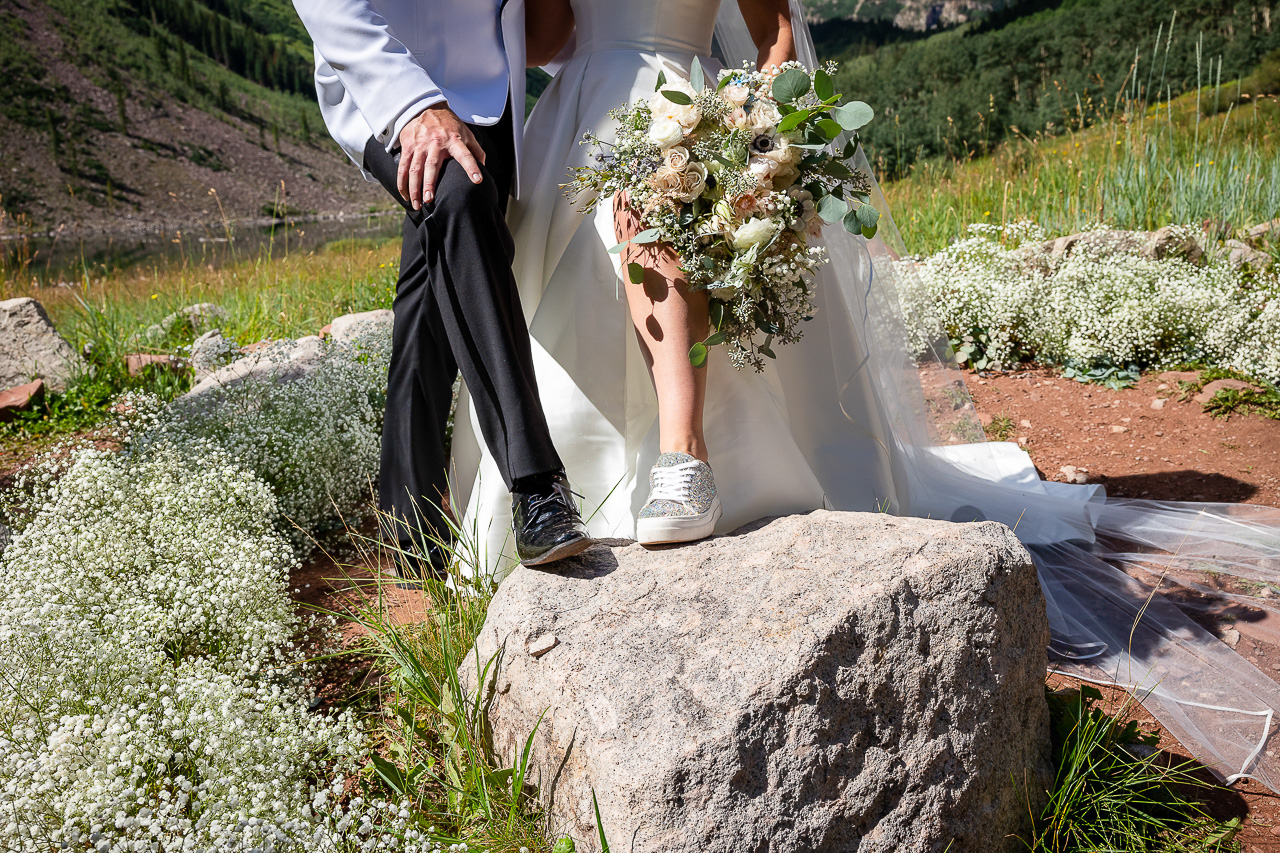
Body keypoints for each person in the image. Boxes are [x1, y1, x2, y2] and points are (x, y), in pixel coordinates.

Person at [450, 0, 1280, 794]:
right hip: (589, 123)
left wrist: (750, 128)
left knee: (670, 224)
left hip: (674, 106)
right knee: (595, 253)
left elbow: (764, 33)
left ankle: (684, 459)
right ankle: (627, 473)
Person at [291, 0, 596, 578]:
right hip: (389, 78)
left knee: (431, 294)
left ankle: (409, 526)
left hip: (494, 90)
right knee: (456, 195)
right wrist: (411, 106)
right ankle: (536, 486)